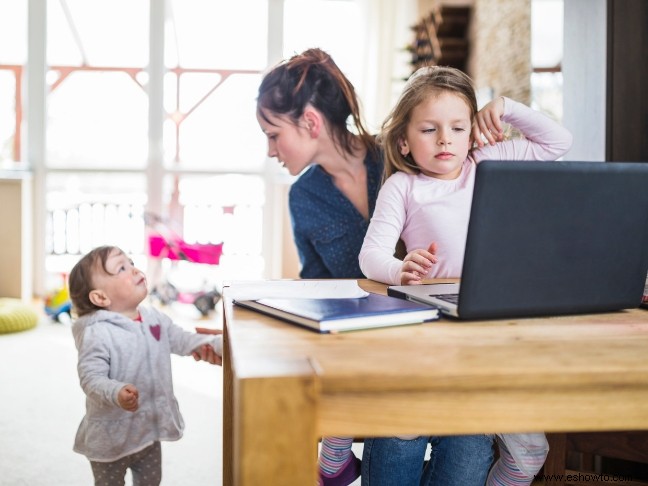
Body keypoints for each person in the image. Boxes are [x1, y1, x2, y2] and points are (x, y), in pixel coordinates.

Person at [257, 48, 493, 486]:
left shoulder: (410, 152)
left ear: (309, 122)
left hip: (451, 339)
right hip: (381, 351)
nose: (270, 149)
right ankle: (339, 446)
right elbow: (319, 287)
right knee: (400, 433)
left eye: (273, 134)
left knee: (468, 444)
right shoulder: (303, 197)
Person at [359, 66, 573, 485]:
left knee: (527, 451)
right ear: (403, 139)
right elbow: (371, 257)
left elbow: (558, 142)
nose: (445, 139)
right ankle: (336, 444)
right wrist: (400, 269)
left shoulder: (487, 160)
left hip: (490, 328)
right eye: (429, 129)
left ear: (473, 132)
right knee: (393, 409)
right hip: (431, 328)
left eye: (458, 127)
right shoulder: (403, 186)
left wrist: (505, 109)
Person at [68, 245, 223, 486]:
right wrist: (116, 392)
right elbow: (90, 377)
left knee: (151, 481)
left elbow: (183, 340)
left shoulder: (154, 318)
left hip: (148, 430)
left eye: (130, 262)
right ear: (100, 297)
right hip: (111, 438)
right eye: (121, 268)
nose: (134, 269)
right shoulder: (97, 333)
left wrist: (215, 343)